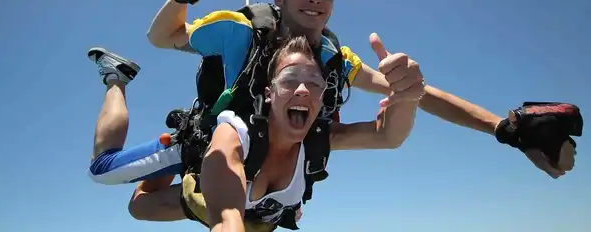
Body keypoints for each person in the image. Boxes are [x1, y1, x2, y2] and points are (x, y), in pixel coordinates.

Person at [145, 0, 580, 179]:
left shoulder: (335, 58)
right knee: (133, 202)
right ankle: (116, 81)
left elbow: (417, 94)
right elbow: (162, 36)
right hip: (216, 161)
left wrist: (504, 129)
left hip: (278, 184)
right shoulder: (241, 31)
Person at [88, 34, 421, 230]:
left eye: (314, 83)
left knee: (138, 208)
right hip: (199, 155)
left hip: (236, 207)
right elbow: (228, 218)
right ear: (269, 92)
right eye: (290, 80)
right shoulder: (236, 133)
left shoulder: (319, 140)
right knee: (103, 171)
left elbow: (388, 136)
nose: (303, 90)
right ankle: (117, 78)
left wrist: (406, 95)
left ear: (323, 97)